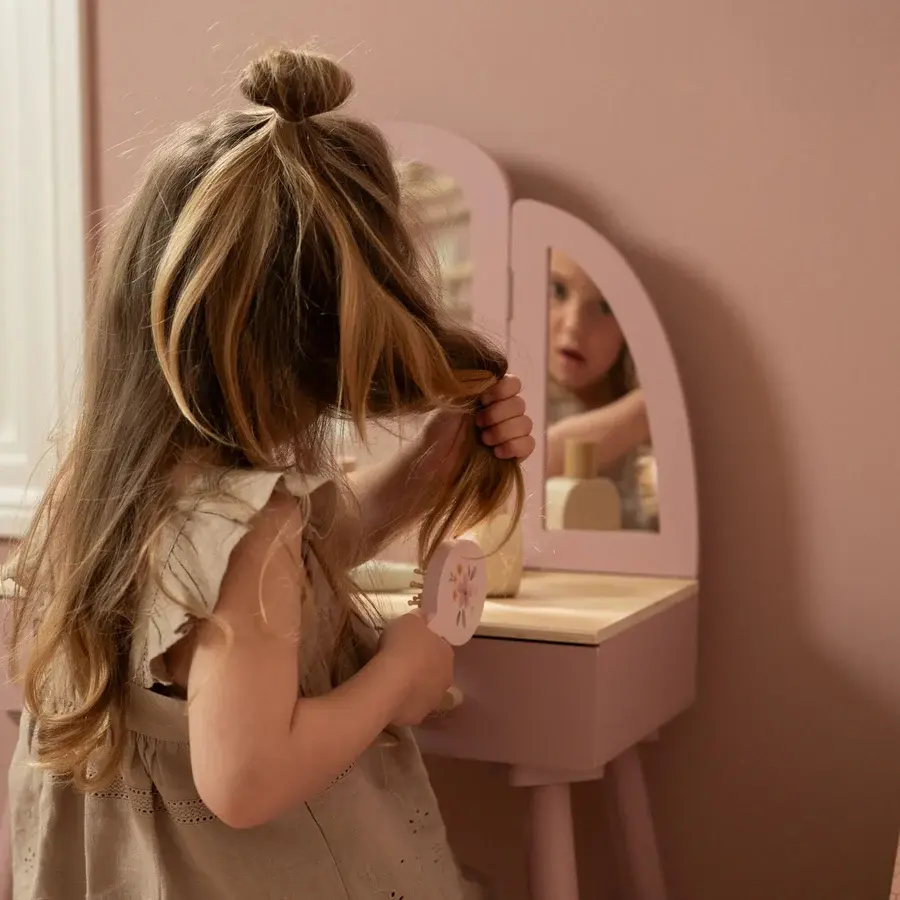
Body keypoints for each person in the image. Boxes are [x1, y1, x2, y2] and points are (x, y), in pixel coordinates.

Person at [3, 48, 535, 899]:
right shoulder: (253, 529)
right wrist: (399, 674)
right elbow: (247, 779)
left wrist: (428, 467)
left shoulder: (103, 489)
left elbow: (271, 595)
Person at [545, 249, 658, 530]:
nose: (573, 325)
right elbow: (526, 466)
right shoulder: (509, 396)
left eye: (606, 306)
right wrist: (653, 408)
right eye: (557, 290)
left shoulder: (646, 438)